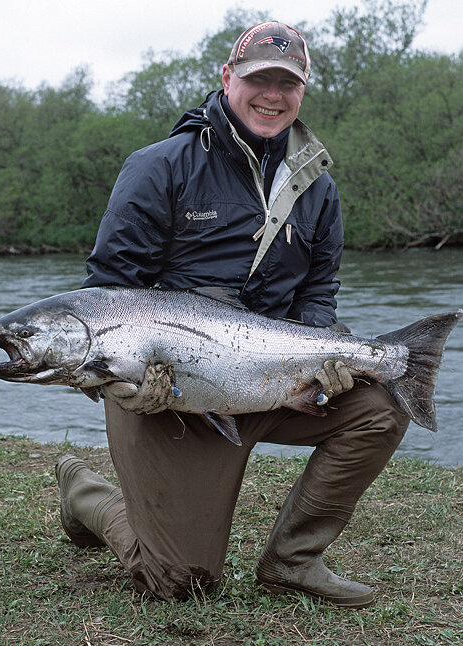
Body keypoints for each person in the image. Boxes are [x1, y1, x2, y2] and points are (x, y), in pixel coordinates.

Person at [55, 21, 409, 608]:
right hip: (169, 397)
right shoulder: (159, 166)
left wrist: (321, 359)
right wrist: (128, 382)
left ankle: (293, 560)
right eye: (258, 79)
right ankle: (86, 496)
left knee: (382, 406)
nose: (273, 95)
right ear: (227, 79)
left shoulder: (319, 188)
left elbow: (319, 288)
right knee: (181, 584)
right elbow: (107, 294)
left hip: (271, 382)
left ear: (303, 91)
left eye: (287, 83)